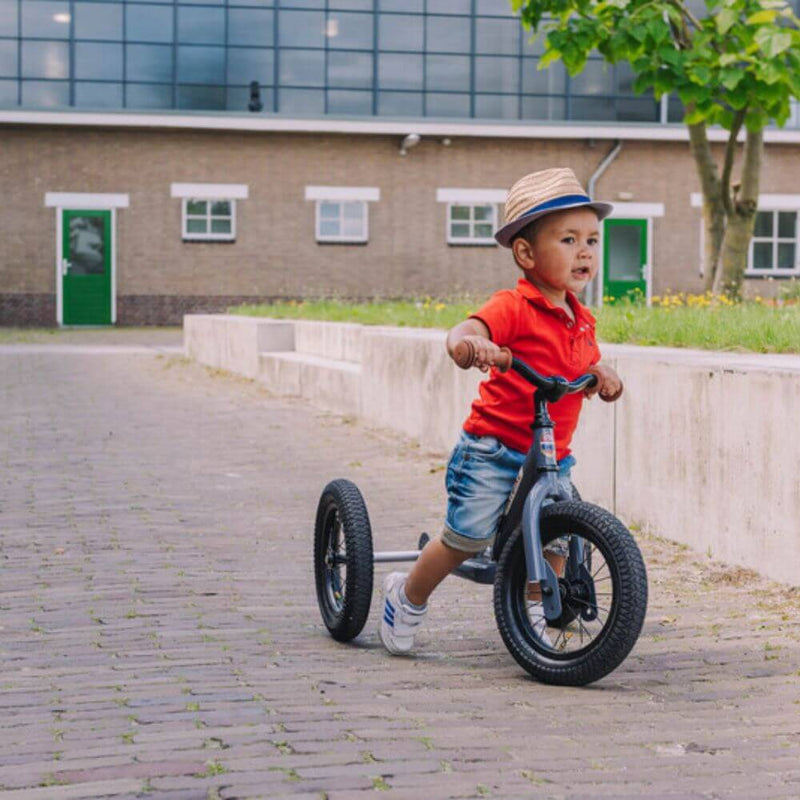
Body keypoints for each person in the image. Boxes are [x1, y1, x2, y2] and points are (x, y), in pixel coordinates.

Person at [379, 167, 624, 655]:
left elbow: (581, 361)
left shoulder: (581, 317)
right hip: (493, 448)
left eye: (592, 241)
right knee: (466, 537)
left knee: (554, 538)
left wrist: (603, 372)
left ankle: (533, 609)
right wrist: (470, 346)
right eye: (569, 239)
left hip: (552, 454)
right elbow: (466, 329)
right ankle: (406, 597)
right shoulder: (514, 306)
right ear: (527, 253)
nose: (584, 252)